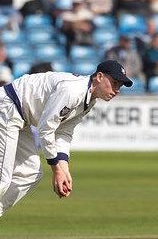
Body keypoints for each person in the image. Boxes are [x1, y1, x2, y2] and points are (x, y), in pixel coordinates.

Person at [0, 60, 132, 216]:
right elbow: (46, 129)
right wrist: (56, 169)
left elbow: (64, 133)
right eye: (114, 83)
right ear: (100, 76)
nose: (117, 90)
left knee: (30, 173)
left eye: (120, 86)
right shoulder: (73, 90)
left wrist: (64, 169)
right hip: (7, 106)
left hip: (22, 119)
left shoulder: (89, 102)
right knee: (3, 178)